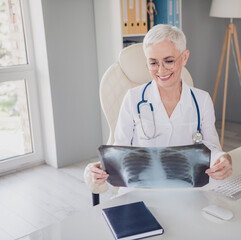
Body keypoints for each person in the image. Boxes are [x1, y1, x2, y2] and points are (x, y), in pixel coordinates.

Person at [84, 24, 232, 193]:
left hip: (186, 188)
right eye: (153, 63)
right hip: (142, 189)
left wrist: (223, 159)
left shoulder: (202, 100)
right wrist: (103, 166)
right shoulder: (133, 98)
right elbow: (121, 149)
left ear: (184, 57)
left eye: (169, 61)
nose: (161, 70)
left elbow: (210, 148)